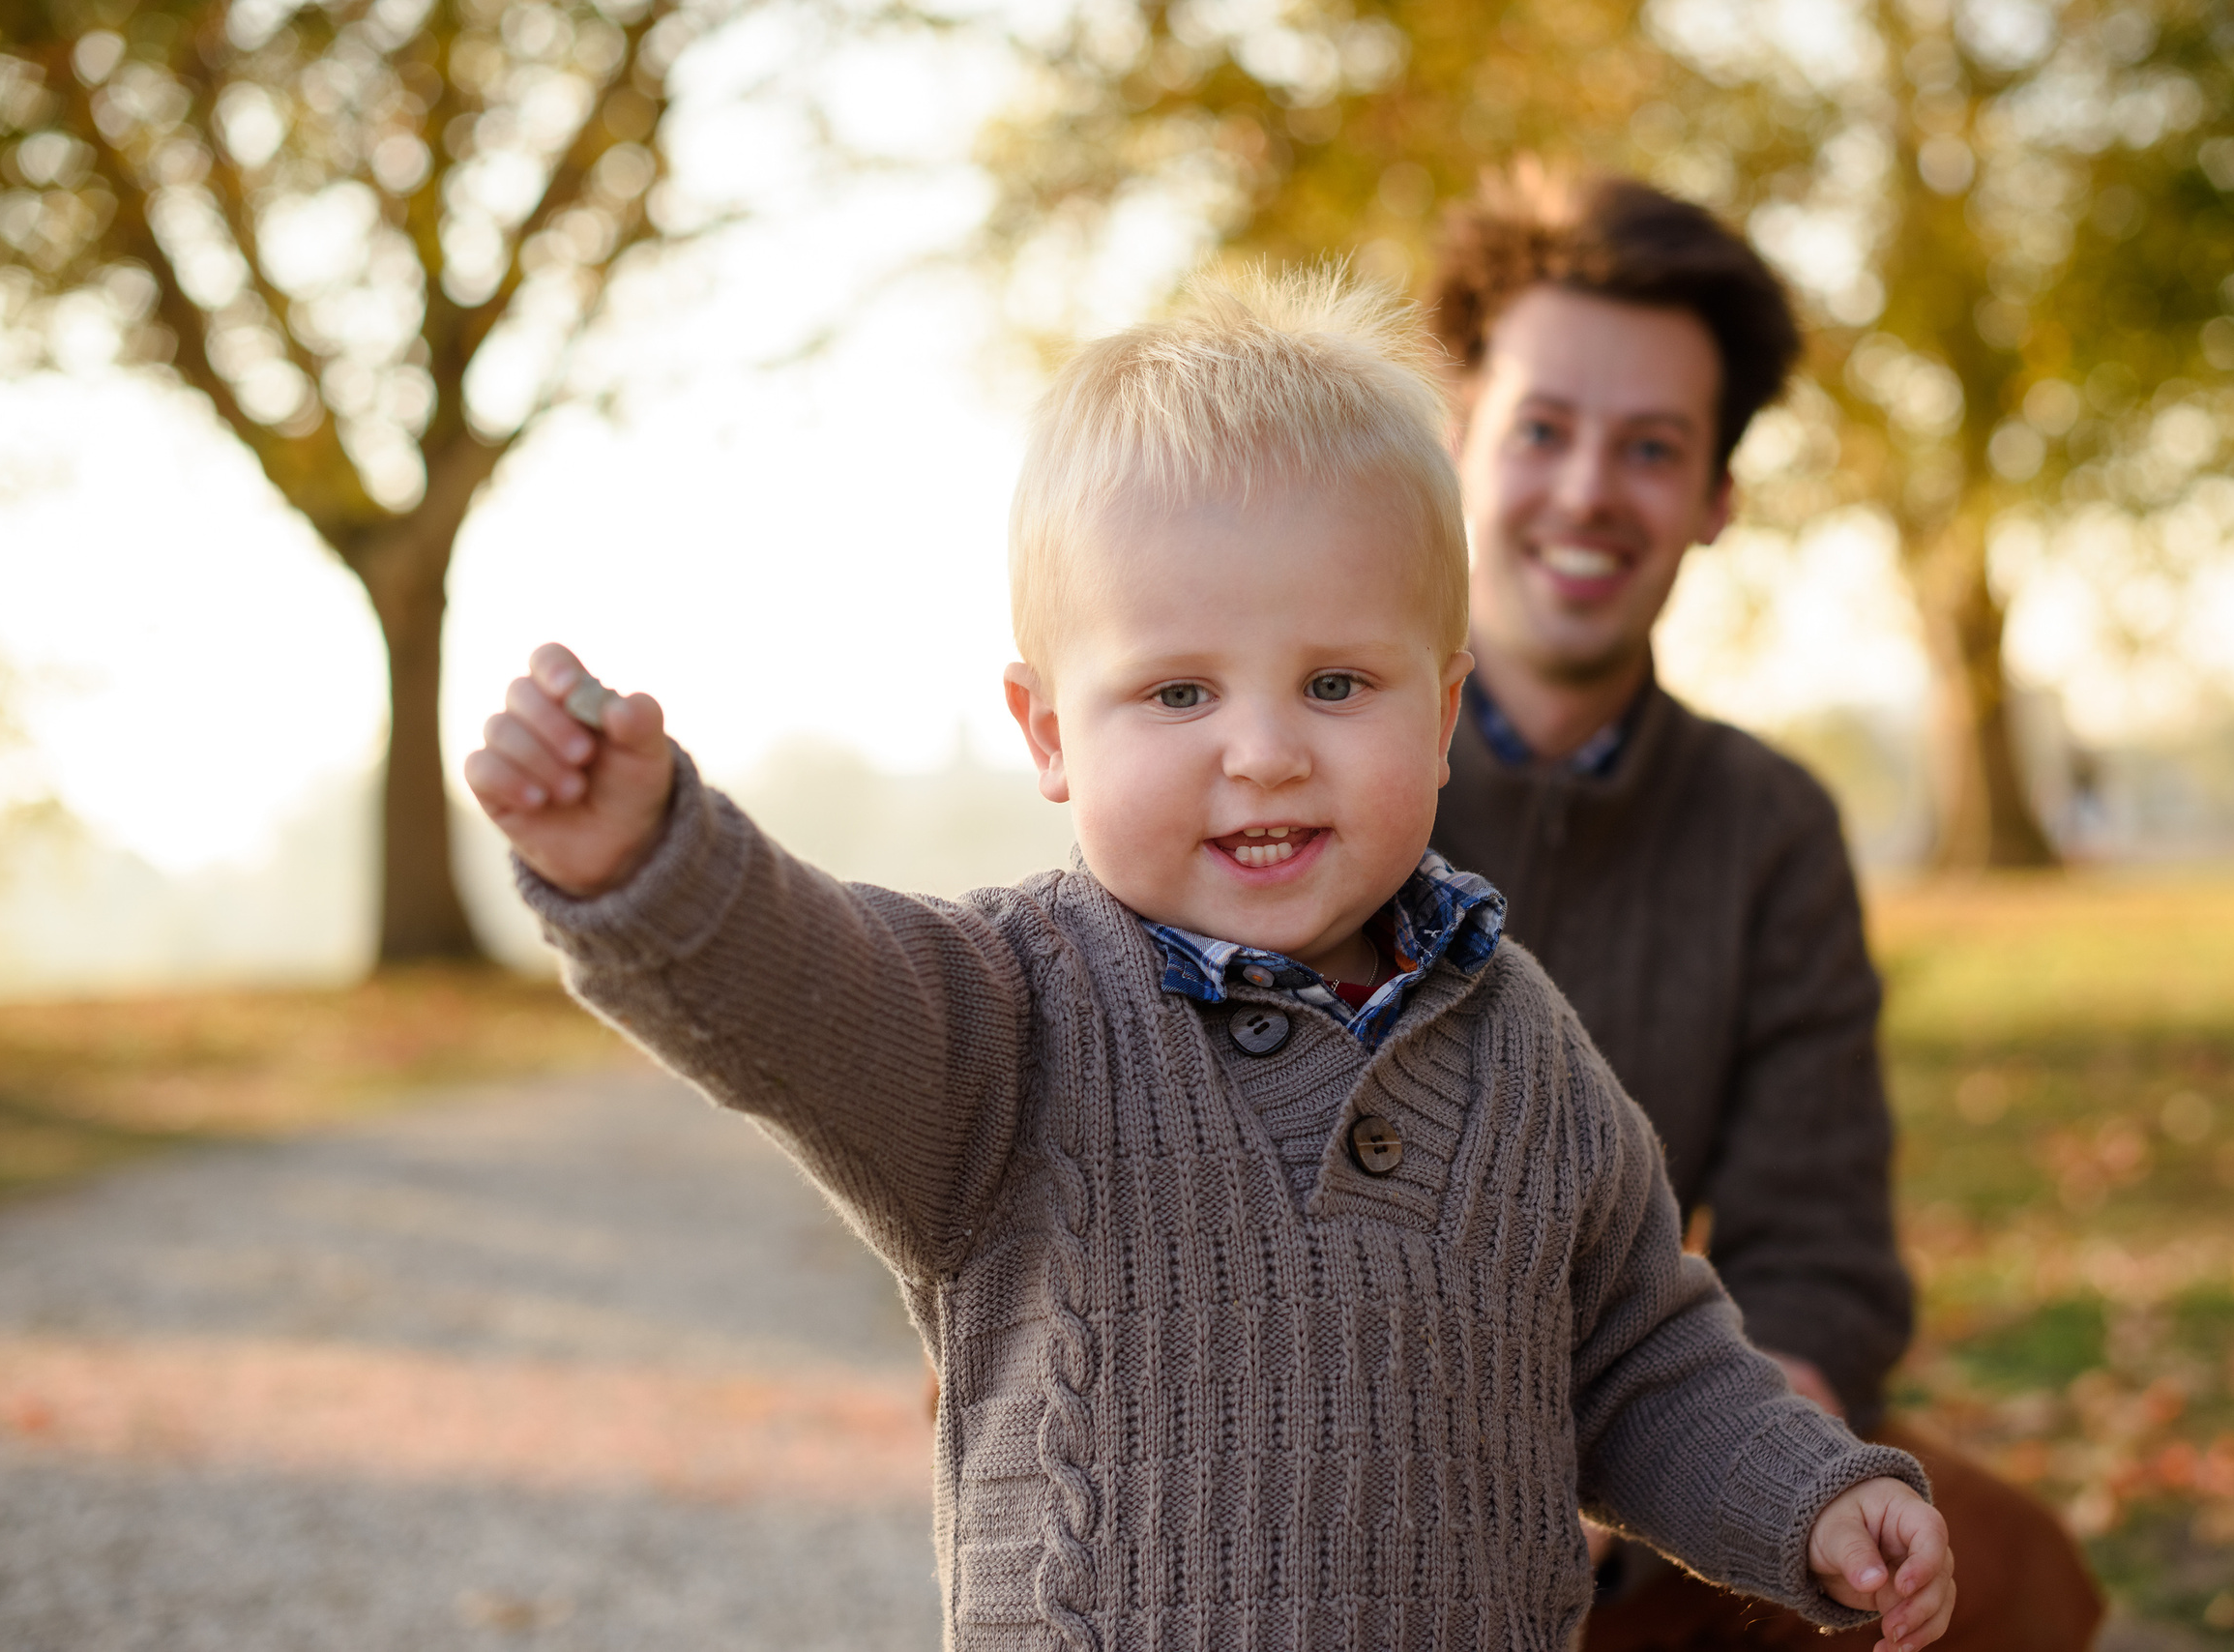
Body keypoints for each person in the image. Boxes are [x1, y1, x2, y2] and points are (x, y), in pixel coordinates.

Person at [464, 270, 1956, 1649]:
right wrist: (640, 854)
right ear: (1050, 730)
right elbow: (799, 986)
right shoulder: (1007, 1013)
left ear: (1439, 719)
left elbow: (1640, 1361)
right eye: (1178, 691)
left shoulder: (1521, 1043)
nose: (1263, 753)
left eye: (1334, 682)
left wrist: (1808, 1497)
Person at [1423, 174, 2105, 1650]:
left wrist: (1739, 1437)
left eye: (1653, 448)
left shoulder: (1770, 830)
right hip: (1319, 1497)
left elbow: (1820, 1253)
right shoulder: (1293, 771)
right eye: (1543, 428)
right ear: (1458, 439)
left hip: (1649, 1507)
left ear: (1716, 498)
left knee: (2009, 1573)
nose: (1591, 489)